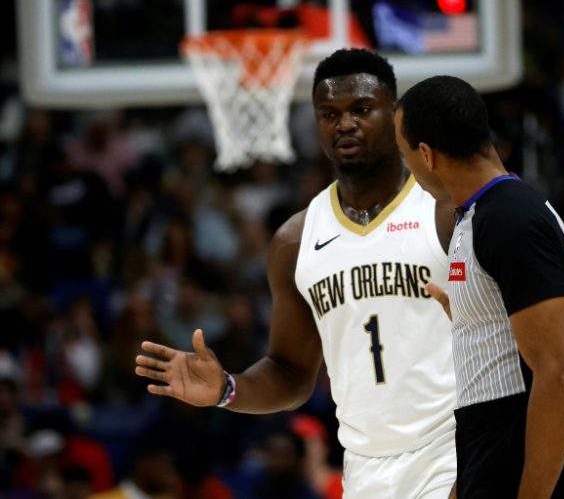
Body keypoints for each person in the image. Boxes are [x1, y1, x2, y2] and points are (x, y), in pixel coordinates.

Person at [135, 49, 458, 498]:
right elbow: (289, 372)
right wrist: (228, 388)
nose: (344, 124)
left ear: (396, 115)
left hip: (455, 459)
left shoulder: (444, 210)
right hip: (365, 474)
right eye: (329, 113)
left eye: (361, 110)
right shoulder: (295, 240)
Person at [395, 75, 564, 498]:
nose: (409, 171)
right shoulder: (477, 216)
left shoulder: (511, 220)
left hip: (528, 452)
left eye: (405, 156)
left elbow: (559, 377)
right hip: (494, 445)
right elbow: (501, 351)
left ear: (426, 154)